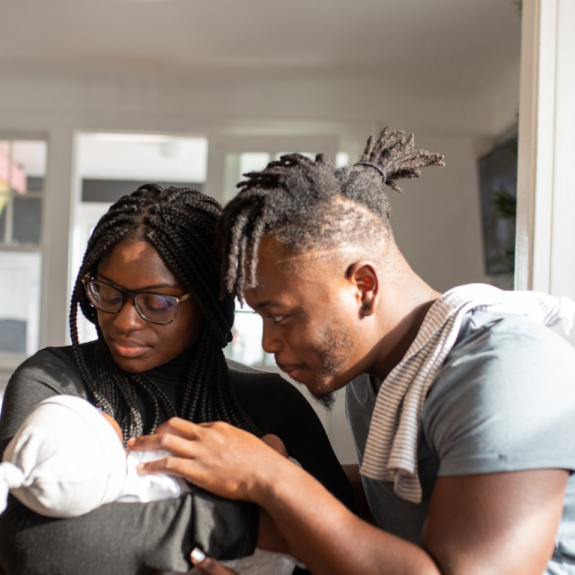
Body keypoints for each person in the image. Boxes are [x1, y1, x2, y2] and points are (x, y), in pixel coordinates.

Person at [130, 129, 575, 575]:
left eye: (281, 316)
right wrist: (255, 478)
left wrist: (269, 477)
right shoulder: (374, 378)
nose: (268, 343)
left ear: (362, 287)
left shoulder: (503, 371)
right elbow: (408, 502)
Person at [0, 185, 354, 575]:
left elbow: (345, 549)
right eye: (108, 292)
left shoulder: (269, 403)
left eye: (158, 303)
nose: (124, 322)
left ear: (207, 301)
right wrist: (255, 527)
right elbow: (27, 545)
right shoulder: (54, 383)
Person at [0, 394, 302, 575]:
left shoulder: (99, 507)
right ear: (100, 438)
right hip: (290, 518)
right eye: (96, 413)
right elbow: (27, 547)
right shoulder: (149, 455)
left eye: (158, 304)